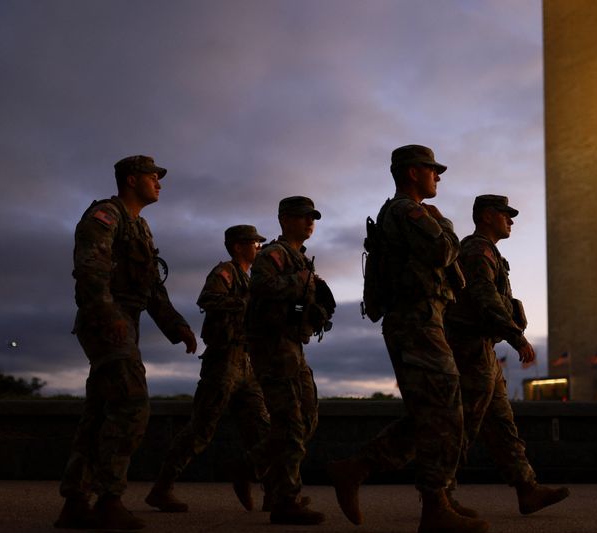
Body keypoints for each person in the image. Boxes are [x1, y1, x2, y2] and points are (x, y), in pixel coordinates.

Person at [328, 145, 489, 533]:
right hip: (415, 321)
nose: (438, 177)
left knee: (432, 412)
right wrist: (444, 223)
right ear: (414, 172)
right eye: (433, 171)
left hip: (422, 319)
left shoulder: (401, 212)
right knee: (445, 409)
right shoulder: (407, 211)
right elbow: (444, 250)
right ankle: (433, 505)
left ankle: (362, 471)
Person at [55, 155, 197, 530]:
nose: (159, 183)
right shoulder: (106, 216)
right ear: (132, 180)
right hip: (105, 320)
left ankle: (75, 502)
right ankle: (109, 499)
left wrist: (176, 326)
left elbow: (151, 286)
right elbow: (90, 269)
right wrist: (109, 314)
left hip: (123, 322)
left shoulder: (141, 228)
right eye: (154, 177)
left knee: (102, 409)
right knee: (133, 404)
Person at [444, 194, 570, 515]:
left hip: (482, 348)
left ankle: (527, 489)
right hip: (469, 348)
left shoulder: (490, 252)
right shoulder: (476, 250)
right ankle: (439, 495)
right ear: (487, 216)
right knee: (462, 424)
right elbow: (485, 297)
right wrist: (516, 337)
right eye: (505, 214)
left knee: (501, 422)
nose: (511, 220)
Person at [145, 225, 272, 513]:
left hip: (247, 362)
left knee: (261, 429)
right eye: (255, 243)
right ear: (239, 247)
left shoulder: (252, 278)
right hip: (223, 361)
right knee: (201, 428)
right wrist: (247, 303)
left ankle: (273, 493)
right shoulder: (225, 272)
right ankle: (162, 488)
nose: (259, 248)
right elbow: (208, 299)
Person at [244, 196, 335, 525]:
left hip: (293, 346)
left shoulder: (301, 259)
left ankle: (252, 465)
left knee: (308, 417)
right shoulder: (273, 254)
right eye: (302, 217)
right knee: (290, 423)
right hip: (272, 347)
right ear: (284, 220)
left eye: (312, 217)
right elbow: (261, 285)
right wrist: (301, 283)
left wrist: (316, 309)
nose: (309, 222)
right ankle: (286, 500)